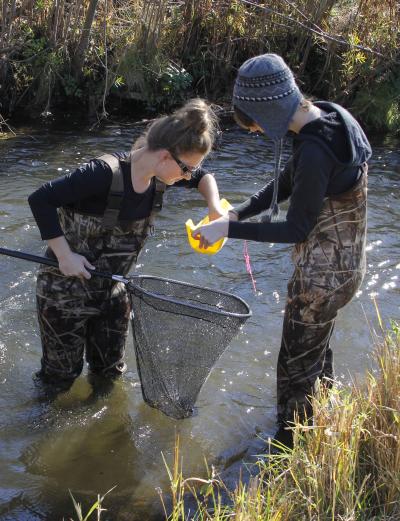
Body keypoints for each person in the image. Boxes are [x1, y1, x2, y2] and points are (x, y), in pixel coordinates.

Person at [193, 54, 371, 448]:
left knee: (293, 371)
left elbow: (297, 228)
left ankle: (289, 448)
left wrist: (228, 228)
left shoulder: (313, 151)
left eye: (253, 123)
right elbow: (291, 181)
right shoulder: (329, 117)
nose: (255, 131)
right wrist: (239, 209)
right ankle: (324, 430)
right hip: (348, 269)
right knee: (316, 358)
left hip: (319, 282)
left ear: (267, 109)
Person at [28, 98, 224, 393]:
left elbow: (204, 178)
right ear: (165, 157)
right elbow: (40, 199)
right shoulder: (101, 173)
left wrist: (214, 209)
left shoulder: (162, 177)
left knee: (109, 376)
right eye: (186, 168)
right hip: (64, 292)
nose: (187, 175)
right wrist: (64, 255)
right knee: (59, 380)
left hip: (114, 292)